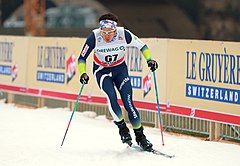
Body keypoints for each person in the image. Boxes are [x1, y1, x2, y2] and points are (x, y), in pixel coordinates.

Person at [78, 13, 158, 151]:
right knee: (112, 97)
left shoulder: (124, 34)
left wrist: (149, 59)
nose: (106, 36)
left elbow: (143, 47)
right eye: (104, 32)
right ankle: (122, 129)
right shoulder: (94, 37)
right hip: (102, 72)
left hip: (120, 71)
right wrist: (83, 73)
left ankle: (141, 137)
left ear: (115, 30)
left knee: (128, 102)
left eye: (110, 32)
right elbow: (81, 58)